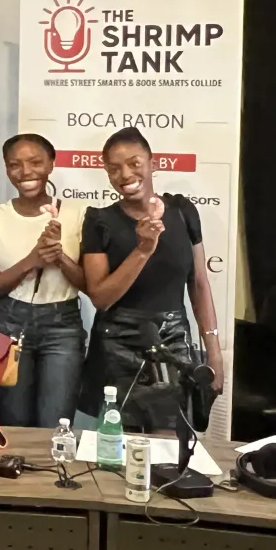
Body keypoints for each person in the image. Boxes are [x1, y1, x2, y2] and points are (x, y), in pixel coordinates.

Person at [79, 126, 223, 432]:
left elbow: (198, 283)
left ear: (152, 163)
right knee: (117, 445)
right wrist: (143, 249)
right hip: (116, 345)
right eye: (114, 168)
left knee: (172, 443)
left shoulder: (183, 212)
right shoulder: (99, 221)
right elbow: (101, 297)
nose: (125, 174)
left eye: (134, 163)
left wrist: (214, 355)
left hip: (172, 342)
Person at [0, 133, 87, 427]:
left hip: (62, 326)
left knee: (57, 424)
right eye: (15, 164)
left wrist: (60, 257)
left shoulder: (77, 214)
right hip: (9, 324)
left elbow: (89, 285)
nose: (26, 172)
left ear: (51, 164)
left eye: (35, 162)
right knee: (12, 423)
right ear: (6, 169)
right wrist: (32, 261)